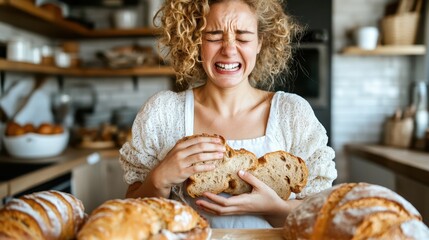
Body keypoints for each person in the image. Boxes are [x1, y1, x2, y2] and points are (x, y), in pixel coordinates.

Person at [119, 0, 337, 229]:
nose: (229, 49)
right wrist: (159, 179)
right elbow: (132, 216)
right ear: (196, 40)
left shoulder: (292, 114)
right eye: (214, 35)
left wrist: (274, 209)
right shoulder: (162, 113)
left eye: (243, 37)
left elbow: (320, 215)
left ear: (260, 42)